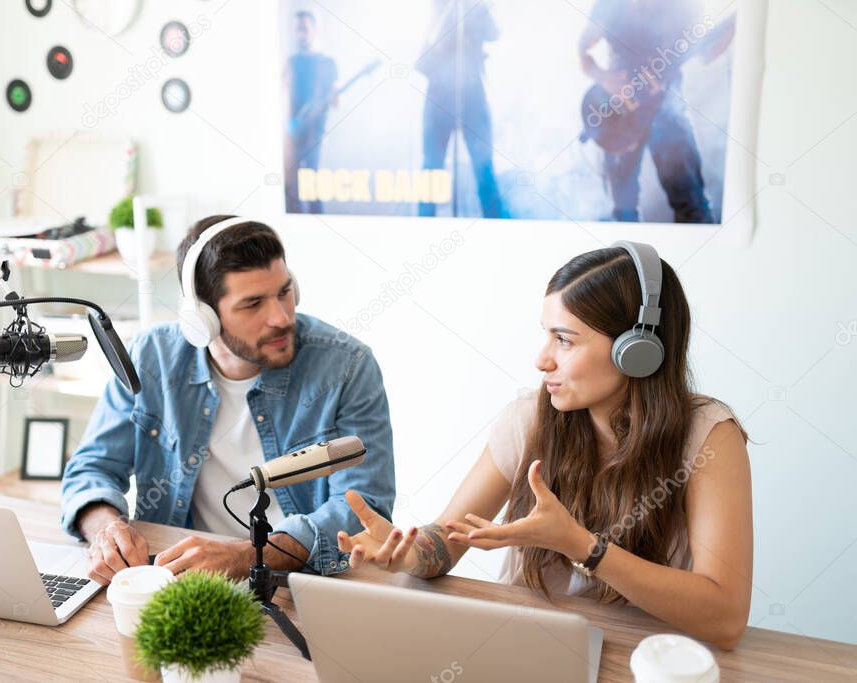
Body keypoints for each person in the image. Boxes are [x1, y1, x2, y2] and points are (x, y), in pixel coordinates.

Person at [338, 242, 753, 650]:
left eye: (565, 340)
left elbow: (726, 618)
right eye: (547, 336)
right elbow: (450, 537)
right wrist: (408, 555)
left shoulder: (708, 435)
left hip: (646, 660)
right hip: (529, 652)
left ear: (637, 352)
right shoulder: (528, 421)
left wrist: (581, 545)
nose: (542, 360)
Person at [62, 215, 395, 585]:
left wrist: (246, 556)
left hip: (304, 582)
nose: (282, 318)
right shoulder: (151, 357)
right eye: (253, 304)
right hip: (178, 578)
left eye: (285, 292)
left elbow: (365, 508)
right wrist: (105, 529)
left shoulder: (346, 366)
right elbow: (91, 469)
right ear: (203, 318)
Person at [578, 0, 731, 222]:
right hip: (616, 117)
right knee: (622, 209)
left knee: (692, 205)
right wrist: (602, 76)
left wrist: (739, 21)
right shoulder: (610, 4)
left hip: (667, 112)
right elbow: (583, 47)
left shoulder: (682, 7)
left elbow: (707, 51)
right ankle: (623, 256)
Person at [417, 0, 504, 218]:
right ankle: (422, 225)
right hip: (439, 95)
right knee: (432, 169)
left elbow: (494, 33)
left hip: (472, 94)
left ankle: (497, 228)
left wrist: (476, 7)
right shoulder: (438, 9)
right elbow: (422, 60)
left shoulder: (476, 8)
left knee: (483, 167)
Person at [284, 10, 338, 214]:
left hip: (316, 135)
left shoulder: (327, 64)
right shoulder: (291, 63)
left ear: (316, 30)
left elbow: (336, 100)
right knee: (292, 191)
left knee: (313, 187)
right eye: (297, 29)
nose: (301, 33)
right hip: (292, 136)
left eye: (304, 28)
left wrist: (332, 97)